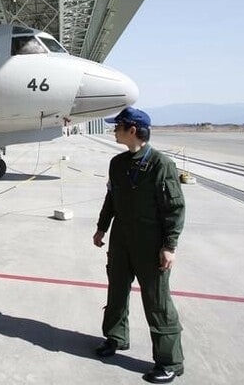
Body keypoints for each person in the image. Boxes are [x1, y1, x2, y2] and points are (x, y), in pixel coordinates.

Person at [92, 107, 185, 384]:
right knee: (117, 291)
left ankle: (170, 362)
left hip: (150, 243)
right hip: (121, 240)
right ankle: (115, 338)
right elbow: (111, 199)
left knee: (157, 302)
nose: (114, 130)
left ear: (132, 130)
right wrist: (101, 228)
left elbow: (175, 209)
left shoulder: (161, 165)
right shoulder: (117, 163)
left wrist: (169, 245)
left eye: (118, 126)